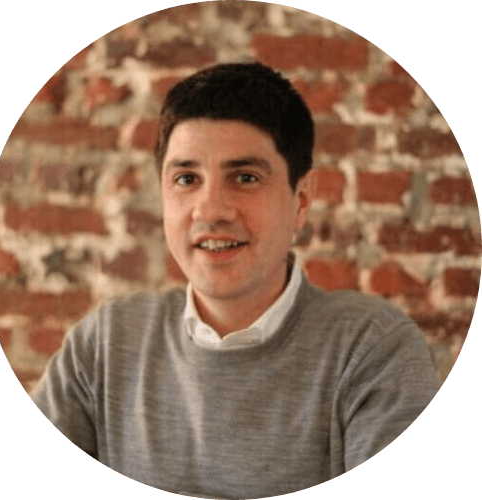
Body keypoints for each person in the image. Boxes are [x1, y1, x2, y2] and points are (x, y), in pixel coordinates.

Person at [30, 62, 440, 498]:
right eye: (186, 179)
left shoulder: (373, 352)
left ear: (301, 200)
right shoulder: (104, 344)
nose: (210, 211)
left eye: (245, 178)